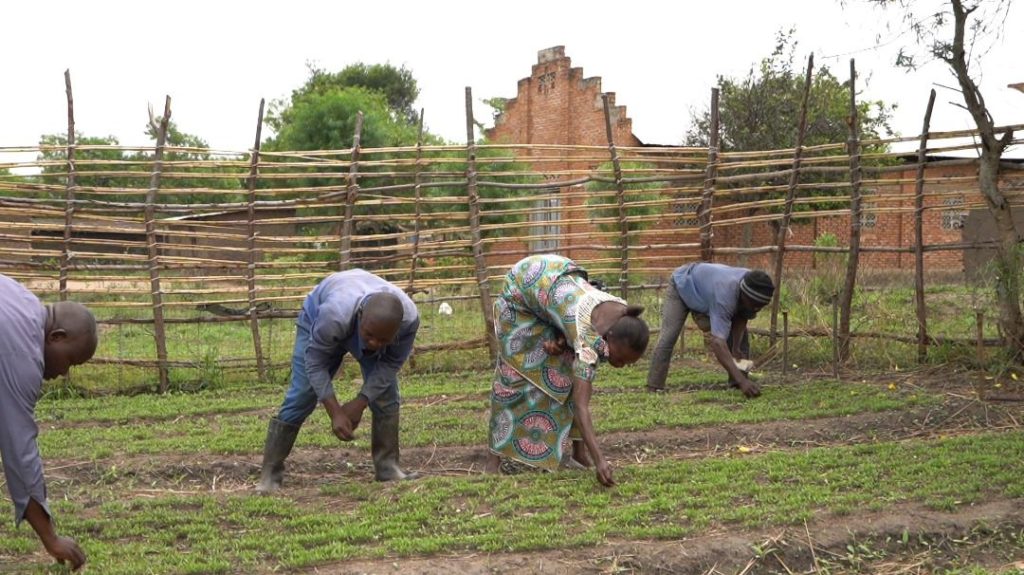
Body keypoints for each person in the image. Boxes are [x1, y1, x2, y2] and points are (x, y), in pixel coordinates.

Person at [484, 255, 649, 487]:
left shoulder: (618, 310)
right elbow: (582, 406)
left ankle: (578, 455)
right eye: (621, 359)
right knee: (514, 376)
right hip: (521, 290)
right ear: (609, 338)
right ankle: (493, 462)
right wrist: (601, 460)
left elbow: (565, 312)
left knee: (568, 373)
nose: (620, 365)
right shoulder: (588, 338)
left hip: (554, 275)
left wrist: (561, 340)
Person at [258, 269, 420, 492]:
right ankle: (270, 475)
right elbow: (314, 363)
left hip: (358, 309)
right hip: (319, 315)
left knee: (386, 395)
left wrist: (360, 402)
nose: (374, 343)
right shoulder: (334, 315)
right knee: (302, 395)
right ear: (361, 317)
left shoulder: (409, 320)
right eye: (369, 335)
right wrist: (336, 411)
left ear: (396, 332)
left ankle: (387, 467)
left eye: (383, 339)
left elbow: (389, 366)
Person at [0, 273, 97, 571]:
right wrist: (50, 538)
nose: (64, 373)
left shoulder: (20, 296)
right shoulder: (21, 354)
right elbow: (18, 449)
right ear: (57, 337)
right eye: (70, 361)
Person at [646, 262, 775, 398]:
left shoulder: (754, 283)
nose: (757, 309)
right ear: (744, 296)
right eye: (755, 305)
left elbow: (742, 317)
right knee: (669, 336)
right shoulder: (725, 294)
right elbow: (718, 343)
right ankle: (654, 386)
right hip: (683, 285)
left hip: (706, 291)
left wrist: (736, 348)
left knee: (742, 340)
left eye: (761, 306)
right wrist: (742, 380)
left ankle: (736, 384)